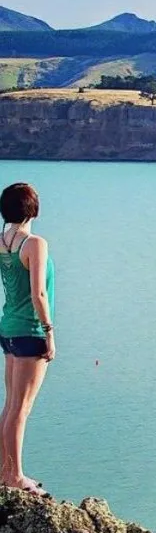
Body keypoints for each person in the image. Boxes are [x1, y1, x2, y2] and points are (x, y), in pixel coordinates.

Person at [0, 183, 55, 495]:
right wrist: (49, 332)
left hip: (7, 328)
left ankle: (5, 472)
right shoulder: (34, 243)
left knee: (10, 405)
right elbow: (39, 294)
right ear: (32, 209)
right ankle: (16, 476)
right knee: (21, 408)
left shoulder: (2, 242)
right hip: (30, 331)